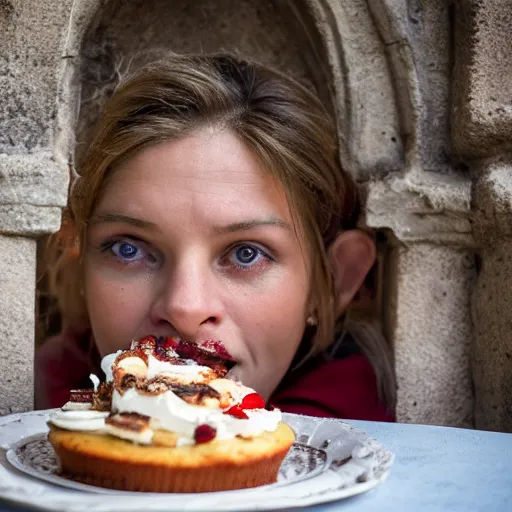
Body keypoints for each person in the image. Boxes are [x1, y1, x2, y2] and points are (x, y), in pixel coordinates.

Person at [35, 53, 396, 421]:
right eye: (129, 249)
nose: (184, 309)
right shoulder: (39, 399)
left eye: (245, 254)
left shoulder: (354, 443)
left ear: (334, 281)